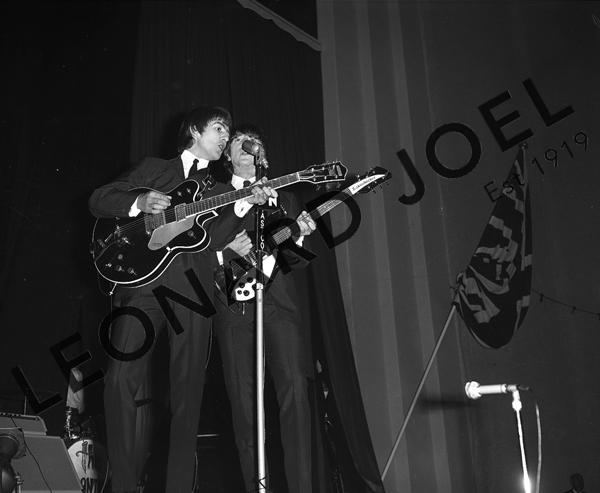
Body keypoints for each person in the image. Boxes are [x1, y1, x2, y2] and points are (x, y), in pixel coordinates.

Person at [88, 107, 277, 493]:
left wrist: (245, 203)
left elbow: (219, 239)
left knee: (187, 399)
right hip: (143, 288)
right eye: (219, 128)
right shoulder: (156, 168)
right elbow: (99, 199)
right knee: (119, 381)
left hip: (192, 294)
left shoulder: (223, 190)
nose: (226, 137)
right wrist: (139, 202)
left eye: (228, 132)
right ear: (194, 130)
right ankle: (122, 487)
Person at [211, 124, 317, 493]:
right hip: (234, 310)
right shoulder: (215, 197)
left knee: (296, 393)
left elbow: (295, 261)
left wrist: (300, 233)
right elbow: (198, 255)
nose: (246, 150)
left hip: (278, 305)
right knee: (242, 405)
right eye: (238, 145)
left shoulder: (285, 199)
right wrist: (226, 253)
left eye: (253, 146)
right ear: (227, 157)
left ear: (263, 156)